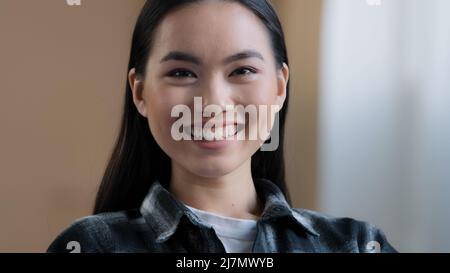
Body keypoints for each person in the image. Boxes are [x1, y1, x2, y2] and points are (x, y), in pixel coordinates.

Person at [47, 0, 397, 253]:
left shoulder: (356, 245)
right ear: (140, 92)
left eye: (242, 70)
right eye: (181, 73)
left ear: (279, 87)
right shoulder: (92, 246)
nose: (213, 103)